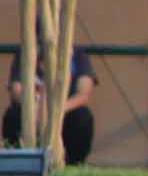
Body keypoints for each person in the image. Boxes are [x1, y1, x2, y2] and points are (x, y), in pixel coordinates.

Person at [3, 27, 97, 165]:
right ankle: (18, 162)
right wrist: (34, 108)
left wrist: (56, 111)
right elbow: (16, 89)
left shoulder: (77, 55)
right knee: (12, 115)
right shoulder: (26, 53)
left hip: (65, 112)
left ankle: (74, 164)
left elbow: (83, 94)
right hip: (33, 111)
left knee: (83, 116)